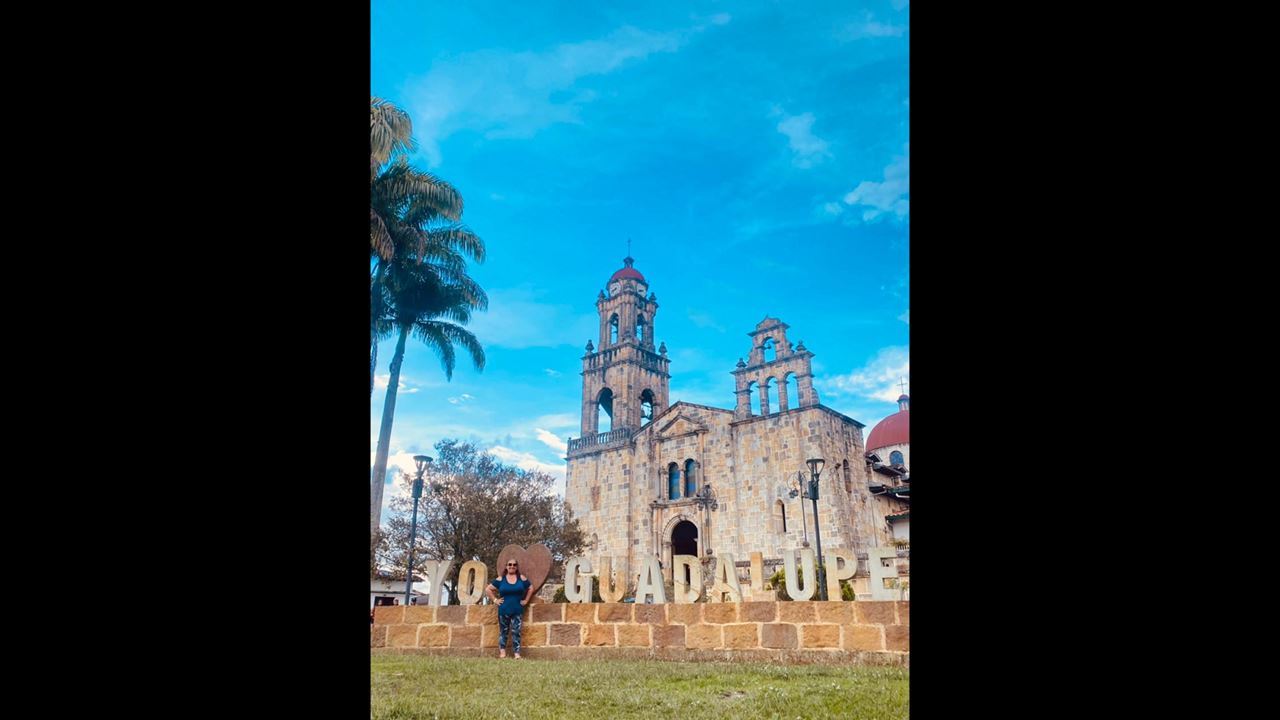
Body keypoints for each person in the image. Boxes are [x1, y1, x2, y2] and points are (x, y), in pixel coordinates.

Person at [486, 559, 533, 658]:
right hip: (504, 610)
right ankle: (502, 653)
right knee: (504, 631)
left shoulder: (521, 578)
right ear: (506, 566)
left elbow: (530, 588)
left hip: (517, 610)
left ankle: (517, 654)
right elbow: (488, 589)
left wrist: (526, 600)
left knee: (516, 632)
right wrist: (495, 600)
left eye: (514, 565)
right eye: (510, 564)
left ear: (517, 567)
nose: (512, 566)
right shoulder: (500, 579)